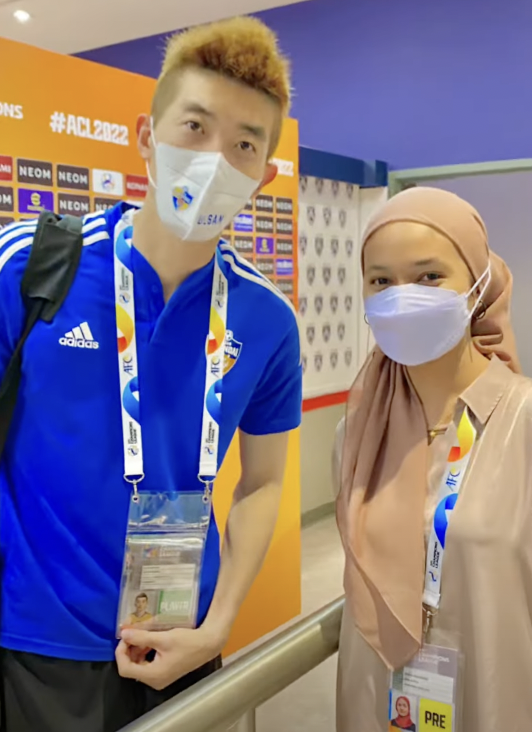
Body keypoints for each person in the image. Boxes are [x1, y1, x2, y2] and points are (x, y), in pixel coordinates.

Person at [0, 16, 301, 732]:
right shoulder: (29, 267)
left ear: (262, 174)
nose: (215, 160)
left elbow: (262, 483)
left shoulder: (267, 319)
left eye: (244, 145)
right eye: (194, 127)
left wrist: (218, 624)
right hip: (33, 648)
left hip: (183, 641)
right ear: (146, 136)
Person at [335, 187, 532, 731]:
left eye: (428, 276)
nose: (403, 298)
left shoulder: (523, 422)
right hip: (378, 702)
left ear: (477, 284)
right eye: (381, 281)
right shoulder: (357, 434)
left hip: (499, 698)